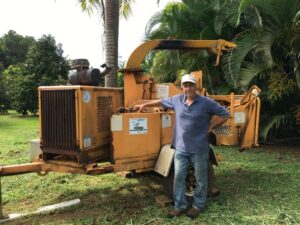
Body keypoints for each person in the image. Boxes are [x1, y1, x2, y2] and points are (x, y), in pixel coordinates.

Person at [134, 74, 229, 219]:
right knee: (178, 178)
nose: (188, 88)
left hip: (199, 149)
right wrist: (145, 105)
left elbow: (225, 114)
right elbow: (161, 102)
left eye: (191, 85)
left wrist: (210, 127)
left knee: (201, 179)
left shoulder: (206, 103)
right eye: (185, 85)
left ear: (195, 87)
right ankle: (180, 206)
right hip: (180, 149)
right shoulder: (177, 100)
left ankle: (198, 206)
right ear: (182, 87)